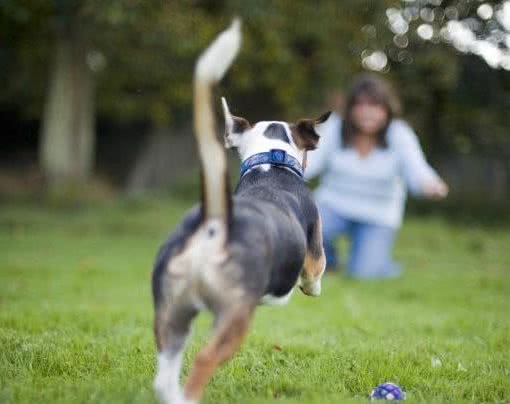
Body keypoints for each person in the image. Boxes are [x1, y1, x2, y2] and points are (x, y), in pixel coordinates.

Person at [306, 74, 448, 279]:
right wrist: (282, 170)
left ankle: (382, 264)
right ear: (351, 108)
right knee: (302, 226)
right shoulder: (335, 127)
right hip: (332, 205)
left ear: (387, 109)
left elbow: (418, 170)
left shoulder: (400, 133)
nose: (367, 112)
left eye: (375, 105)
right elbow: (309, 162)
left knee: (364, 274)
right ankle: (330, 260)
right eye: (360, 105)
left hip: (378, 215)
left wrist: (431, 184)